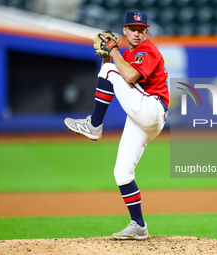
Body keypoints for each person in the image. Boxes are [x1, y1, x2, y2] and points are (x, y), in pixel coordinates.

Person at [64, 10, 169, 240]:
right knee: (121, 172)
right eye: (133, 29)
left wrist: (112, 51)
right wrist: (106, 54)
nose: (137, 33)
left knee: (110, 69)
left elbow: (129, 77)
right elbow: (112, 72)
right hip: (142, 119)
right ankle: (138, 225)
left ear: (147, 32)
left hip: (152, 108)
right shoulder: (127, 56)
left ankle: (94, 125)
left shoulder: (147, 50)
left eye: (142, 30)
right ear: (125, 30)